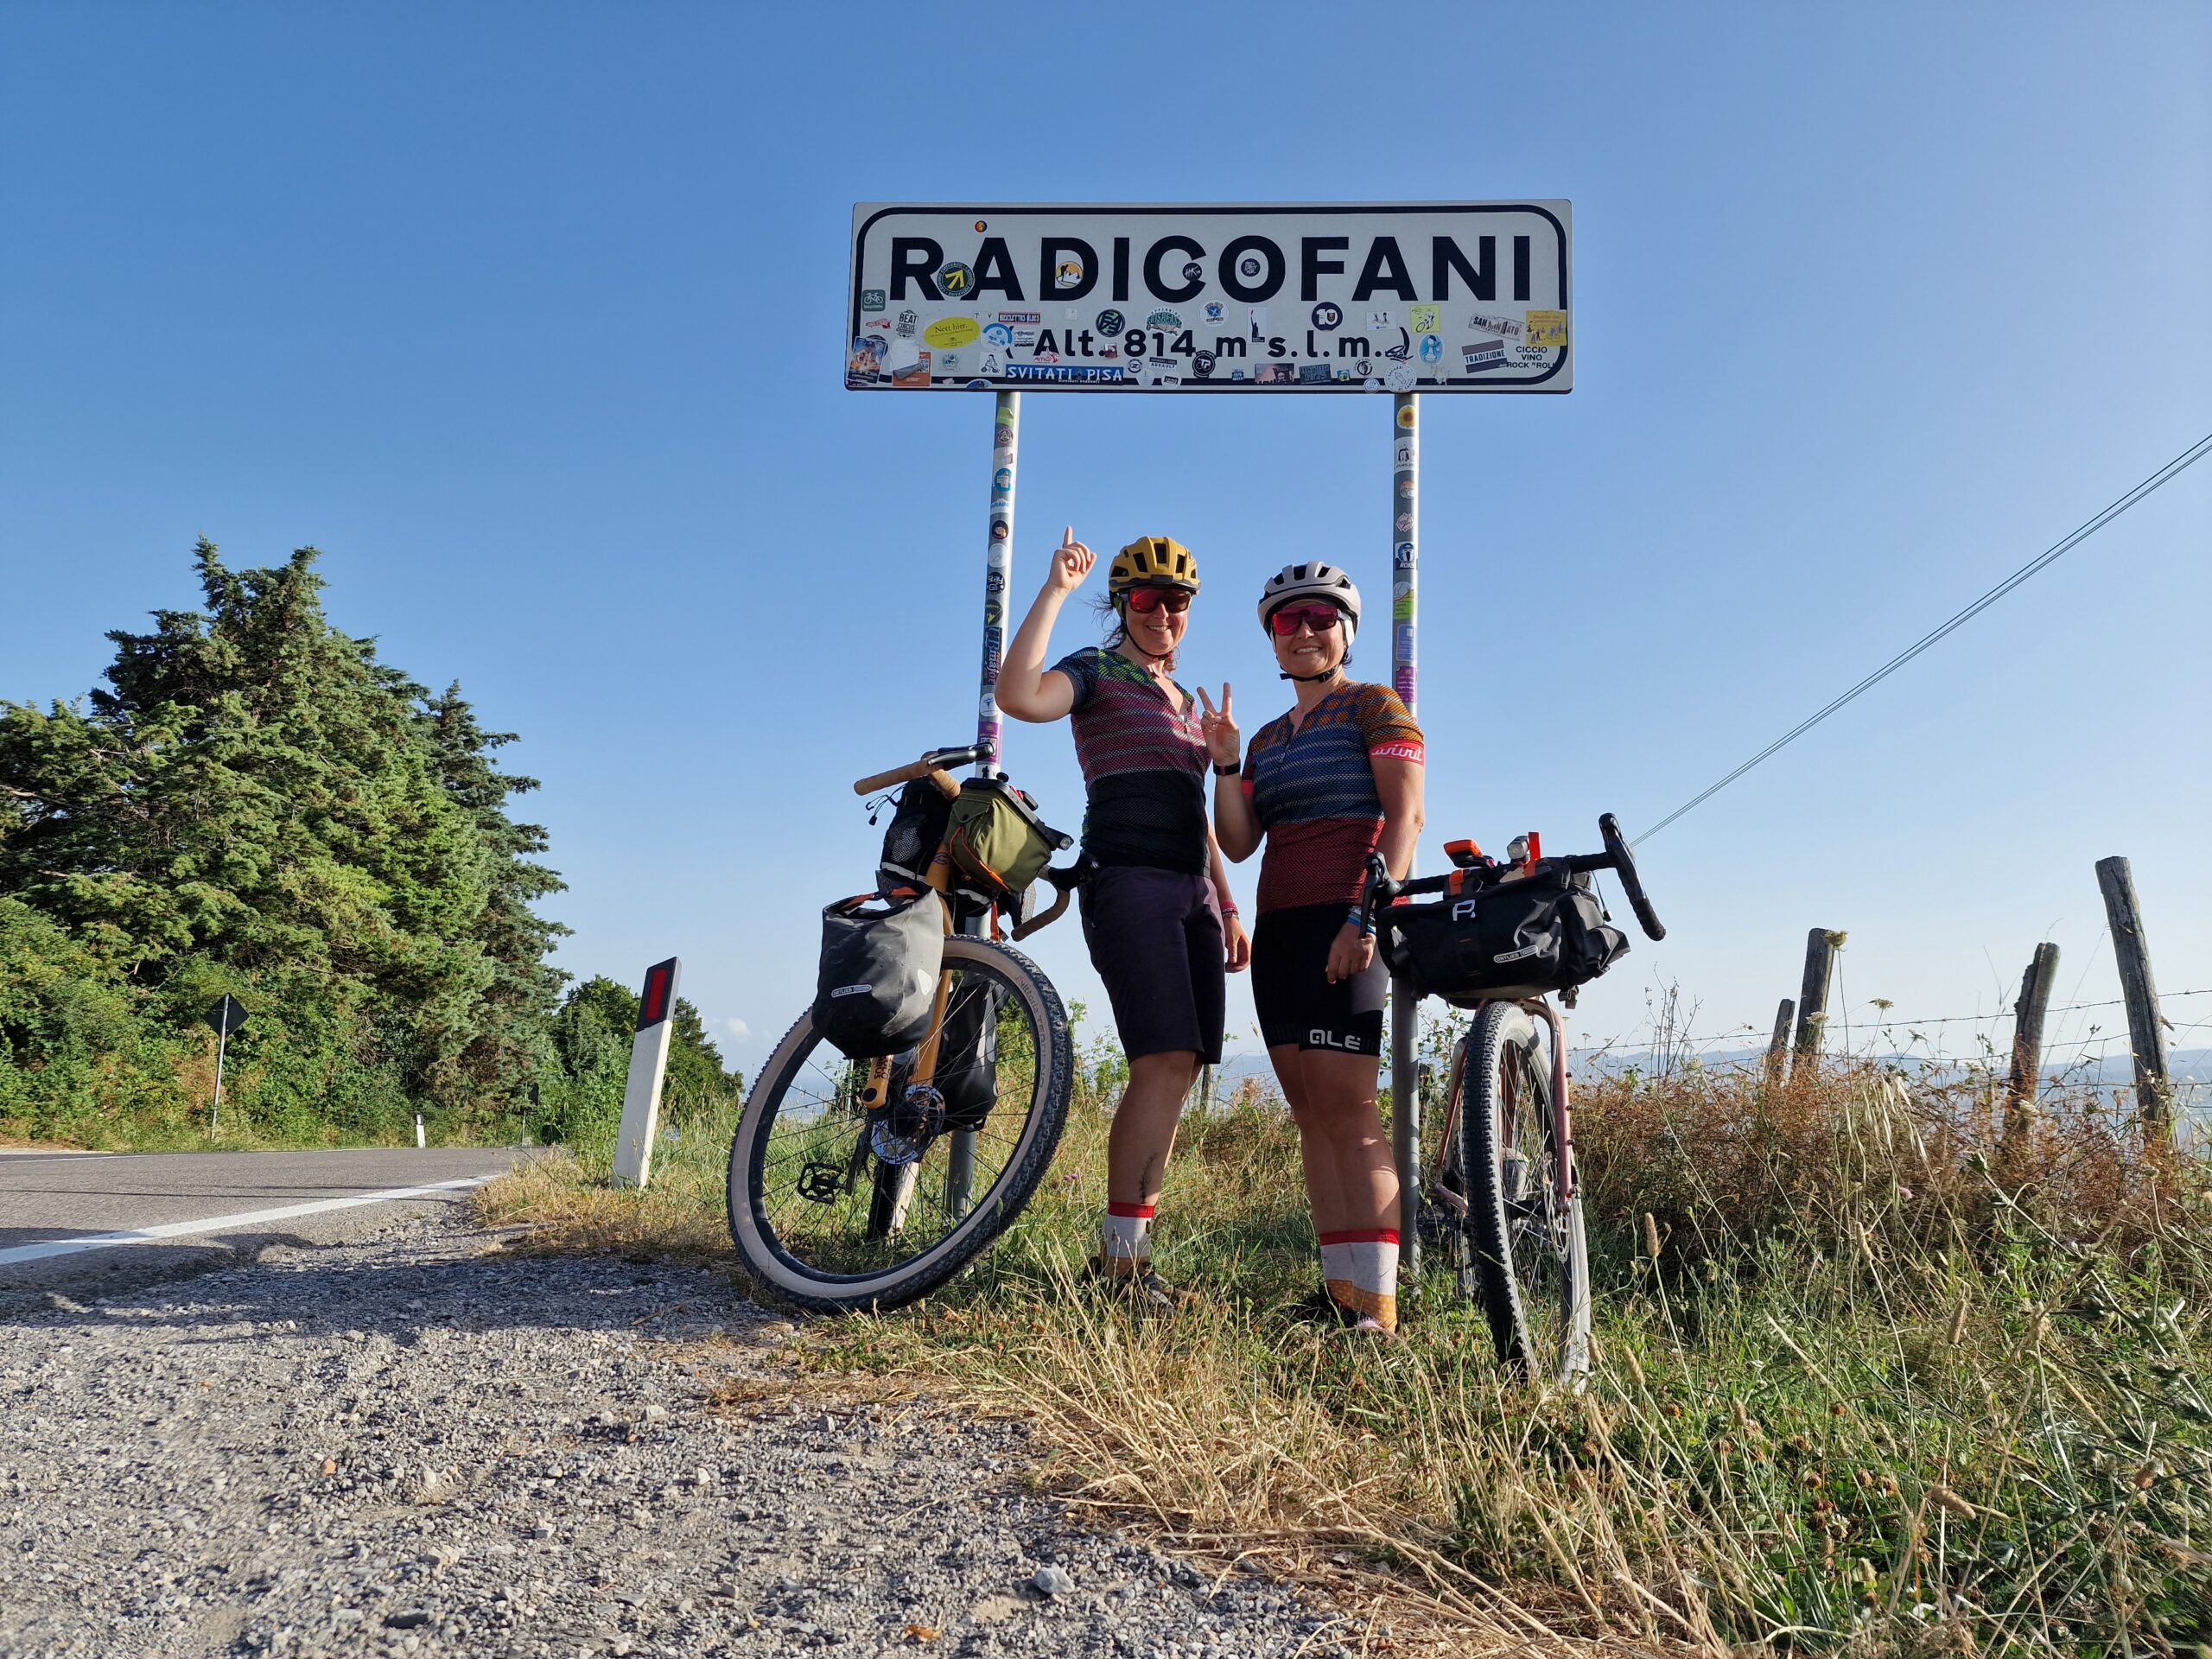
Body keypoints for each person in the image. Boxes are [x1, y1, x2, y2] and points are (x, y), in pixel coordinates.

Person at [995, 528, 1251, 1307]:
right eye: (1146, 599)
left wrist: (1229, 902)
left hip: (1193, 893)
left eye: (1176, 602)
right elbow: (1019, 695)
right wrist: (1055, 591)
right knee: (1161, 1058)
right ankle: (1119, 1267)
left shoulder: (1190, 703)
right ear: (1122, 605)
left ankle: (1131, 1256)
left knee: (1182, 1066)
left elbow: (1203, 818)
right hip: (1128, 880)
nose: (1162, 613)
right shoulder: (1098, 671)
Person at [1198, 563, 1425, 1336]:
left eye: (1319, 619)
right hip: (1282, 930)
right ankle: (1340, 1291)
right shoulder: (1267, 738)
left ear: (1346, 632)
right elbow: (1237, 838)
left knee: (1350, 1109)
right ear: (1272, 638)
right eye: (1287, 622)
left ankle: (1383, 1307)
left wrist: (1365, 917)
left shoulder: (1375, 707)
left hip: (1348, 915)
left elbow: (1406, 820)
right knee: (1309, 1114)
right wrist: (1226, 763)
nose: (1303, 632)